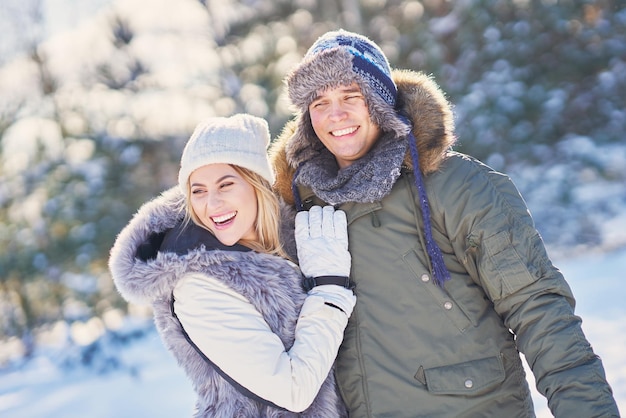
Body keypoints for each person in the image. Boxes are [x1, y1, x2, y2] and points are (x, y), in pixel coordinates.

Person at [269, 30, 620, 417]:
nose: (336, 115)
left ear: (381, 103)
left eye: (351, 97)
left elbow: (538, 309)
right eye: (319, 103)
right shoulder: (301, 209)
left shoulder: (457, 185)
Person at [108, 114, 356, 417]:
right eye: (198, 190)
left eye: (225, 185)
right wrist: (329, 288)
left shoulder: (286, 247)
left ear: (257, 185)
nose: (212, 204)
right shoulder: (199, 284)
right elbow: (293, 391)